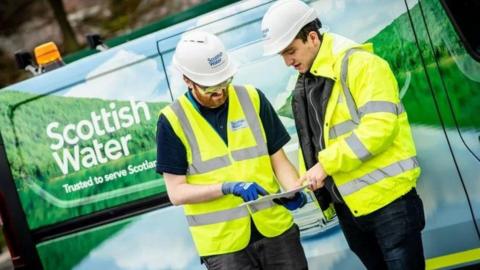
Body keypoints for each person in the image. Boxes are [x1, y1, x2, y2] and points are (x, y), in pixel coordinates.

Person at [261, 1, 426, 269]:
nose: (287, 61)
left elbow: (379, 127)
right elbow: (316, 140)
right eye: (282, 54)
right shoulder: (307, 81)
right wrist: (304, 180)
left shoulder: (361, 65)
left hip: (389, 205)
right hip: (350, 210)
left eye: (290, 51)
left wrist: (325, 165)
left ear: (312, 37)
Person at [156, 30, 309, 270]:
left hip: (276, 231)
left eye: (224, 82)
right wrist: (227, 188)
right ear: (187, 80)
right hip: (224, 248)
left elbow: (277, 160)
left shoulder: (252, 98)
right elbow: (176, 193)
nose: (220, 93)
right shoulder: (172, 120)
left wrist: (293, 189)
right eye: (210, 88)